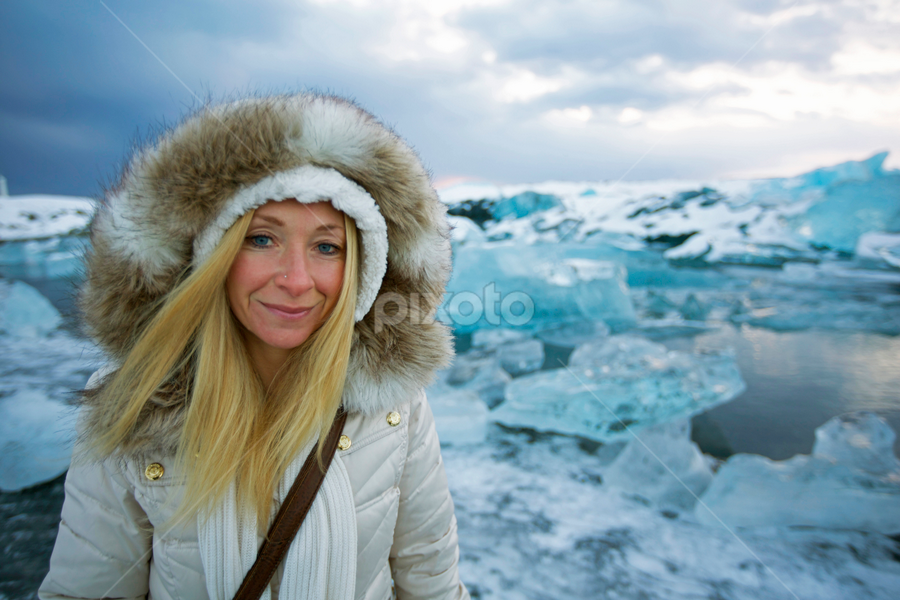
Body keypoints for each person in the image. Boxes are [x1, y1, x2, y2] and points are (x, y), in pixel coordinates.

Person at [39, 93, 470, 600]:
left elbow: (433, 586)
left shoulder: (394, 409)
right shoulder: (133, 408)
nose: (295, 279)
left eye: (327, 247)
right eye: (261, 239)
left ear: (361, 269)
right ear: (213, 254)